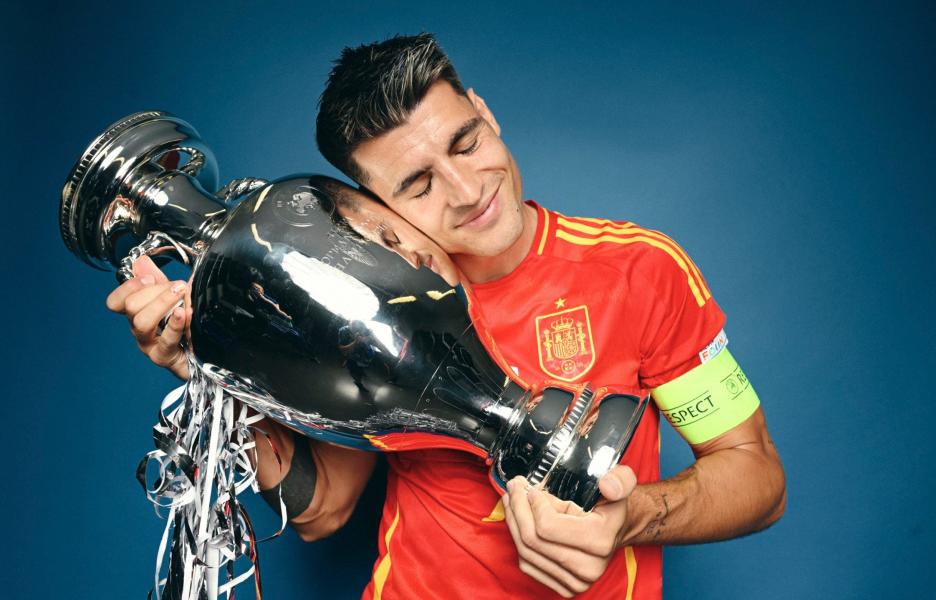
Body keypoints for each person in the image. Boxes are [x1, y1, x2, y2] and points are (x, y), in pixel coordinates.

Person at [106, 33, 786, 599]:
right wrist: (218, 368)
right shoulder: (363, 304)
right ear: (375, 207)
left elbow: (755, 474)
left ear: (486, 114)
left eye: (464, 143)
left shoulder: (642, 270)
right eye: (417, 185)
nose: (467, 192)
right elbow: (323, 510)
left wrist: (634, 516)